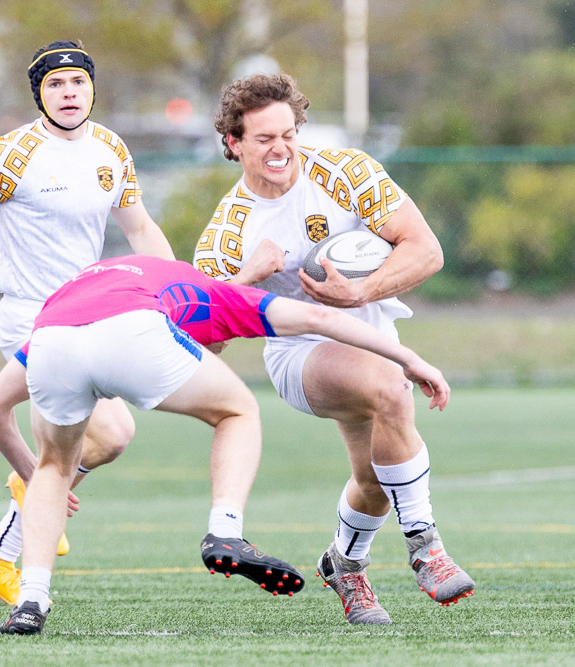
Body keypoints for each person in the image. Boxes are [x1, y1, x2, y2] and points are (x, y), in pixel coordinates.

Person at [0, 254, 450, 634]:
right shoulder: (210, 292)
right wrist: (409, 359)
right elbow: (319, 317)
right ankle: (226, 532)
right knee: (238, 411)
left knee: (54, 468)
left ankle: (31, 601)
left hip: (49, 337)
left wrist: (35, 479)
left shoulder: (95, 288)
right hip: (131, 330)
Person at [0, 40, 175, 606]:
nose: (68, 93)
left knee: (110, 439)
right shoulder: (12, 153)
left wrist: (175, 292)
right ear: (39, 95)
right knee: (101, 437)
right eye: (54, 85)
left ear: (92, 89)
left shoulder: (110, 149)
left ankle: (2, 544)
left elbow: (140, 228)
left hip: (92, 312)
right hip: (32, 317)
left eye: (77, 82)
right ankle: (23, 512)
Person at [193, 72, 475, 625]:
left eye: (288, 133)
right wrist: (247, 277)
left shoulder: (345, 172)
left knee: (373, 483)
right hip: (299, 356)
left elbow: (426, 251)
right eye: (263, 139)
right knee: (388, 386)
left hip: (371, 336)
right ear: (233, 143)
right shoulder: (228, 232)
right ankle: (426, 546)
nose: (281, 149)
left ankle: (346, 565)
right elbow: (209, 339)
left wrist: (361, 292)